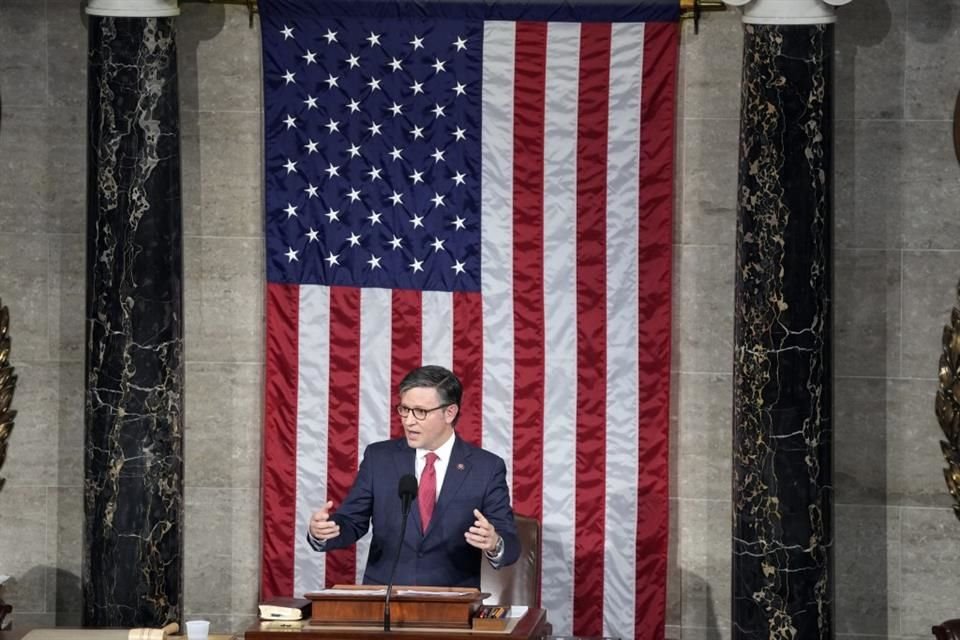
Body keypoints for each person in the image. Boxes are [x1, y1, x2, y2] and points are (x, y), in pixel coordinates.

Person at [306, 365, 520, 587]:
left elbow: (510, 541)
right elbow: (352, 521)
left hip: (453, 605)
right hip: (385, 598)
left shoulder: (486, 468)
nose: (408, 421)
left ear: (450, 412)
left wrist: (494, 542)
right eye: (404, 410)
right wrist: (324, 531)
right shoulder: (380, 458)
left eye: (420, 412)